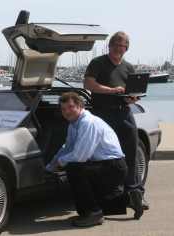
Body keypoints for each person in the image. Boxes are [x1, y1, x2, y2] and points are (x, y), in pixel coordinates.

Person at [46, 92, 143, 227]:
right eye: (63, 109)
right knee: (94, 196)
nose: (67, 111)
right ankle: (128, 199)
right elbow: (67, 148)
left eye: (70, 107)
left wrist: (60, 162)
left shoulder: (87, 123)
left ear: (80, 106)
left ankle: (94, 214)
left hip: (113, 166)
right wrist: (50, 167)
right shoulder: (74, 124)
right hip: (104, 165)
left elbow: (80, 156)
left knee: (74, 169)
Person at [83, 31, 148, 209]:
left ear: (126, 48)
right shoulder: (98, 63)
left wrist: (132, 98)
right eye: (116, 45)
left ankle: (136, 194)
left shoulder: (128, 67)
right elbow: (88, 84)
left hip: (124, 112)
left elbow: (132, 91)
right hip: (103, 114)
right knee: (104, 156)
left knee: (131, 153)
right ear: (109, 46)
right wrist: (111, 90)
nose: (119, 48)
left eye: (123, 46)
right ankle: (109, 196)